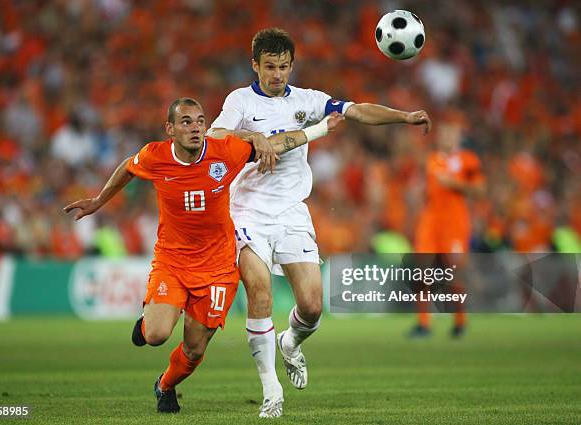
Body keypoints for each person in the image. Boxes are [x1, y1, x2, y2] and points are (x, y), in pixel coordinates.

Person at [63, 97, 343, 414]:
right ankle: (147, 323)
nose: (195, 128)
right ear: (170, 129)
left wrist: (320, 128)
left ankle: (165, 385)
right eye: (185, 122)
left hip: (218, 268)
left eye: (199, 121)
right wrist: (99, 201)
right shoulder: (155, 156)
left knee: (194, 350)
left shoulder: (224, 152)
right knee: (155, 335)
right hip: (173, 262)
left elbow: (279, 143)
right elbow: (128, 168)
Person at [208, 28, 432, 418]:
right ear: (255, 66)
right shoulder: (240, 100)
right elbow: (215, 135)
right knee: (258, 291)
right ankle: (270, 390)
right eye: (269, 67)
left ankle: (290, 342)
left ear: (292, 65)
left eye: (283, 67)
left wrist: (404, 117)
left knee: (311, 306)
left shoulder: (309, 101)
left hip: (292, 211)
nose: (277, 74)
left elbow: (356, 110)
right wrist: (250, 135)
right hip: (246, 212)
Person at [411, 121, 485, 338]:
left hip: (455, 224)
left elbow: (480, 190)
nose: (447, 137)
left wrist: (453, 183)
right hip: (430, 222)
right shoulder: (431, 159)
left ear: (458, 137)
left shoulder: (468, 160)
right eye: (444, 134)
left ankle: (460, 322)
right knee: (421, 272)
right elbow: (424, 190)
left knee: (454, 275)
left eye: (451, 134)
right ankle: (423, 324)